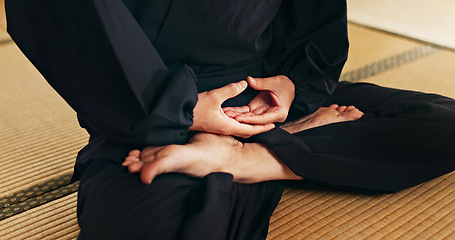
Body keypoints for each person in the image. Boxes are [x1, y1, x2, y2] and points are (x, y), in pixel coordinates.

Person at [6, 0, 455, 239]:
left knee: (443, 123)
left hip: (263, 91)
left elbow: (310, 20)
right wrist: (177, 107)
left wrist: (293, 85)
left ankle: (250, 159)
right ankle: (286, 153)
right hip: (146, 106)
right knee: (150, 226)